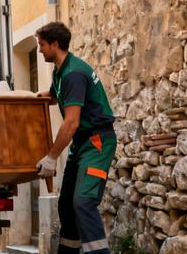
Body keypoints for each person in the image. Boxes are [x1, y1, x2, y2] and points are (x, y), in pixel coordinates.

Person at [34, 22, 116, 254]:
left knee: (83, 202)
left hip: (97, 142)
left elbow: (71, 123)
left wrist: (51, 158)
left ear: (55, 44)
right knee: (67, 205)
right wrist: (42, 97)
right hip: (82, 143)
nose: (40, 50)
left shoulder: (73, 74)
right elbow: (58, 95)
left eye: (41, 45)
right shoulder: (61, 72)